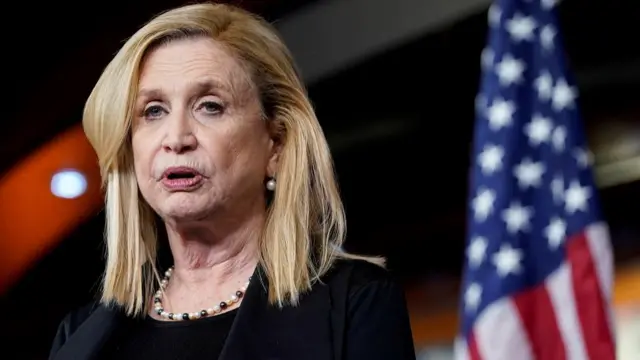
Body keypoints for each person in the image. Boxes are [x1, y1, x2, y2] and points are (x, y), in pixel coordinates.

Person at [49, 3, 416, 360]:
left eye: (210, 106)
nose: (176, 138)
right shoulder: (77, 335)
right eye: (153, 111)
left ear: (276, 144)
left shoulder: (355, 304)